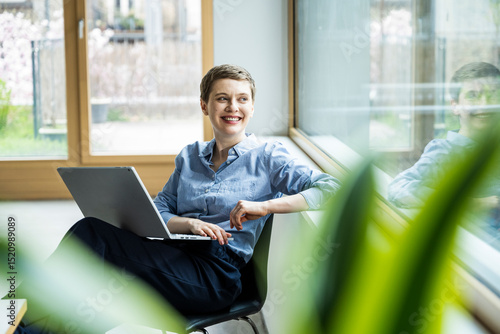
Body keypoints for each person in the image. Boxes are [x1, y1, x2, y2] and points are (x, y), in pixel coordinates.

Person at [14, 64, 341, 333]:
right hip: (176, 253)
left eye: (242, 99)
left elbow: (330, 187)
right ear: (205, 105)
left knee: (93, 234)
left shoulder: (268, 156)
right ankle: (25, 323)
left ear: (252, 107)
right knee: (97, 286)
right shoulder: (190, 156)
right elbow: (161, 207)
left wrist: (265, 206)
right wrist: (188, 223)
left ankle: (16, 312)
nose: (232, 107)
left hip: (218, 275)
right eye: (222, 98)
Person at [388, 61, 500, 232]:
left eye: (493, 95)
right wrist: (477, 203)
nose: (484, 103)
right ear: (455, 106)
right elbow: (399, 188)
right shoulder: (445, 151)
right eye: (473, 95)